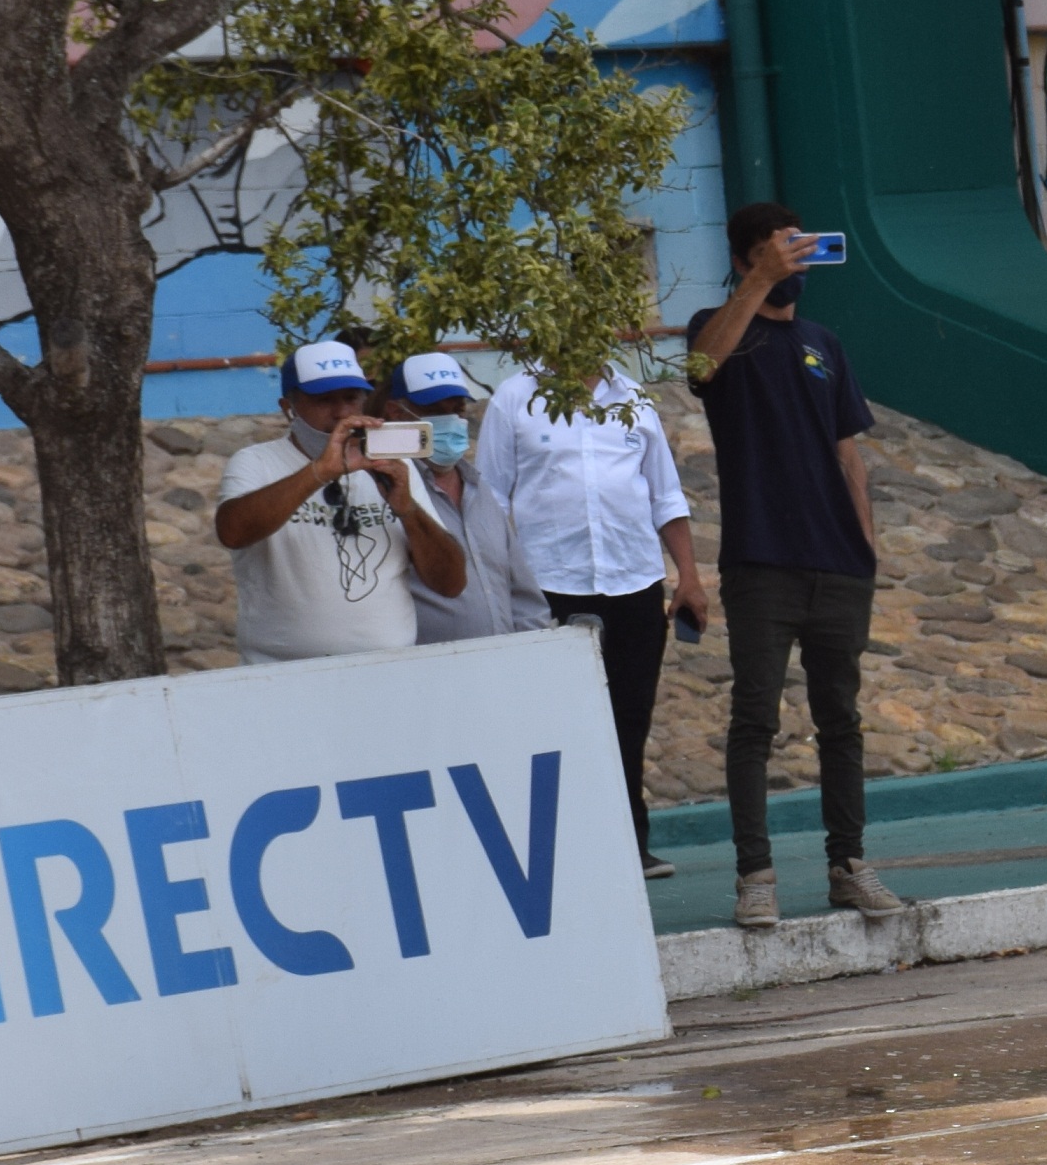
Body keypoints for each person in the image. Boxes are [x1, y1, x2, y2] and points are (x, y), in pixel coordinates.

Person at [684, 201, 899, 928]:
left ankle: (849, 865)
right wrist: (753, 287)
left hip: (838, 565)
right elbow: (700, 366)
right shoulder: (718, 329)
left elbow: (849, 453)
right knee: (755, 719)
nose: (795, 263)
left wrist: (865, 548)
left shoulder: (823, 343)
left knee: (841, 719)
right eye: (781, 251)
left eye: (799, 249)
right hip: (761, 561)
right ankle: (756, 875)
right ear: (748, 258)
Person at [488, 351, 708, 881]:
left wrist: (690, 576)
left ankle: (631, 846)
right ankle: (560, 853)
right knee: (556, 723)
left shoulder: (633, 399)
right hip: (551, 585)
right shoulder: (515, 397)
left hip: (633, 580)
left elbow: (665, 495)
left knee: (629, 721)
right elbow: (491, 498)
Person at [213, 339, 465, 663]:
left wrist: (408, 510)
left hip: (388, 668)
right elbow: (233, 532)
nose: (342, 413)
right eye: (324, 400)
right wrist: (320, 471)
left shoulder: (393, 464)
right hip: (283, 672)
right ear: (288, 407)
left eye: (351, 398)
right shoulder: (255, 462)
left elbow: (451, 583)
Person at [393, 354, 549, 646]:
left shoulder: (480, 489)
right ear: (399, 414)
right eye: (434, 410)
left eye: (458, 408)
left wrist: (534, 651)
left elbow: (522, 593)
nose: (451, 420)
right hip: (428, 673)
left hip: (505, 668)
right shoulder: (386, 492)